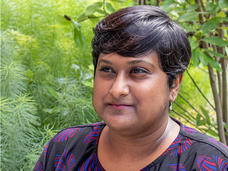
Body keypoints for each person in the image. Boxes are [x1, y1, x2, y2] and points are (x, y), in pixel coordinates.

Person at [34, 5, 228, 171]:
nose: (117, 90)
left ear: (174, 84)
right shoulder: (66, 148)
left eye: (138, 71)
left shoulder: (209, 163)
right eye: (107, 69)